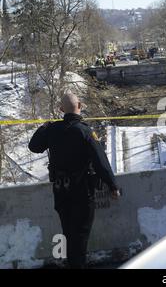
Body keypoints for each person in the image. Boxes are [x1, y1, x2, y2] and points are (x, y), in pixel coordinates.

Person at [28, 93, 121, 269]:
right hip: (82, 192)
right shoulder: (85, 131)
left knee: (68, 232)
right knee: (80, 235)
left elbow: (34, 147)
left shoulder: (52, 130)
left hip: (61, 192)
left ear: (61, 109)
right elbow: (100, 162)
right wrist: (113, 185)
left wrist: (43, 128)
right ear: (80, 106)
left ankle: (72, 263)